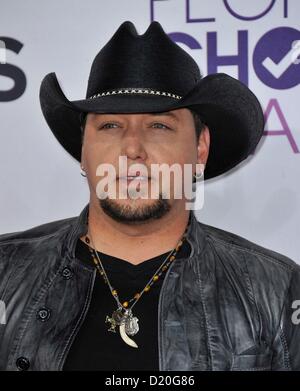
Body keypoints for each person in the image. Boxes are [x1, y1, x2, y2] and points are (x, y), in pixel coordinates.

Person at [0, 21, 299, 372]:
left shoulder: (276, 290)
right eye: (110, 125)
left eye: (159, 125)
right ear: (83, 150)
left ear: (199, 149)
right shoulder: (6, 271)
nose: (132, 148)